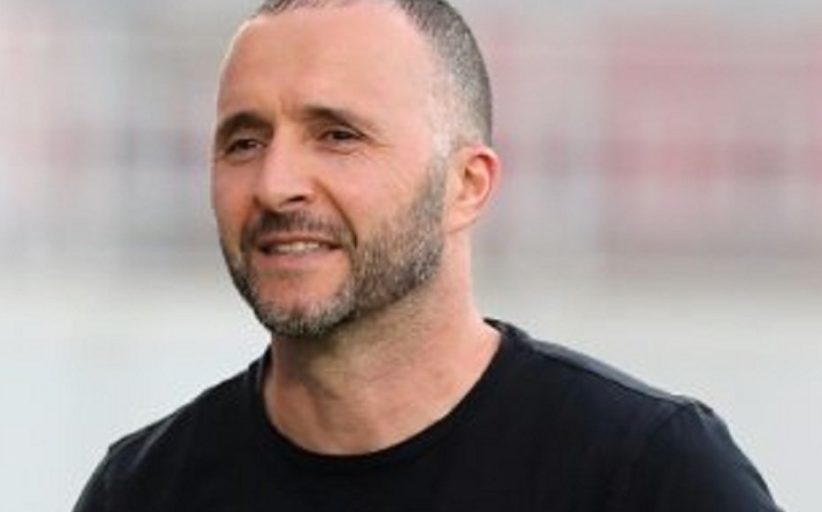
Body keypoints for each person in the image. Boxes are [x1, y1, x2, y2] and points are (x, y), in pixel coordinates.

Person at [73, 1, 781, 510]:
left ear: (466, 186)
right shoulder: (143, 490)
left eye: (338, 135)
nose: (274, 183)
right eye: (244, 141)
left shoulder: (649, 475)